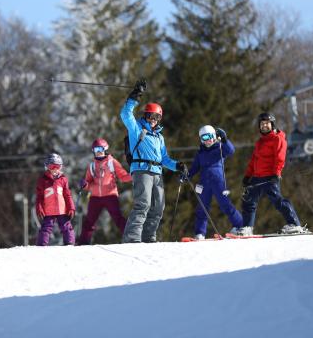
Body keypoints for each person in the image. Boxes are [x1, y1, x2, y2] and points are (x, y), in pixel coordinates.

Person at [120, 79, 187, 243]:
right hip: (142, 170)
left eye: (157, 117)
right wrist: (134, 96)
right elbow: (125, 114)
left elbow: (164, 158)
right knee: (143, 204)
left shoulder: (159, 137)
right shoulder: (137, 129)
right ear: (146, 115)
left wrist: (177, 165)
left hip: (157, 173)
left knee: (158, 207)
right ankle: (132, 238)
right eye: (151, 115)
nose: (153, 120)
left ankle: (149, 237)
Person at [238, 113, 306, 235]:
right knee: (249, 200)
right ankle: (247, 227)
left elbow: (280, 157)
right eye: (262, 124)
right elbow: (254, 160)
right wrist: (248, 175)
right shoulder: (260, 142)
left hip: (270, 176)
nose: (264, 126)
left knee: (277, 201)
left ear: (272, 124)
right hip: (257, 176)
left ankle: (295, 224)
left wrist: (276, 173)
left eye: (267, 124)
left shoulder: (277, 138)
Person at [186, 125, 243, 239]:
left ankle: (240, 226)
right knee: (202, 207)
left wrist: (225, 139)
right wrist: (186, 175)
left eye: (209, 136)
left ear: (215, 136)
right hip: (204, 183)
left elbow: (231, 150)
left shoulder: (220, 148)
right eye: (203, 138)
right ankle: (200, 233)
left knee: (225, 205)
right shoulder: (200, 153)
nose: (207, 140)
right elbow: (194, 168)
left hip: (218, 182)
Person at [77, 138, 132, 245]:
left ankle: (130, 237)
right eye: (96, 149)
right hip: (95, 197)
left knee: (117, 218)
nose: (98, 152)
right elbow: (88, 184)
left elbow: (123, 176)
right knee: (89, 221)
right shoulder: (92, 165)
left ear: (105, 149)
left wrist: (134, 176)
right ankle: (83, 242)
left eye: (100, 149)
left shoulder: (112, 162)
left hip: (110, 196)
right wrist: (84, 184)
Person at [35, 153, 76, 246]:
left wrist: (71, 208)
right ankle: (42, 245)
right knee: (46, 227)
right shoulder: (43, 180)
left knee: (66, 226)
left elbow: (67, 195)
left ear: (60, 167)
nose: (54, 169)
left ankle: (69, 243)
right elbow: (39, 197)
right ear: (46, 167)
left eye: (57, 166)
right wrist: (39, 208)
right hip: (48, 210)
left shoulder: (63, 179)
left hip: (62, 210)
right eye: (51, 166)